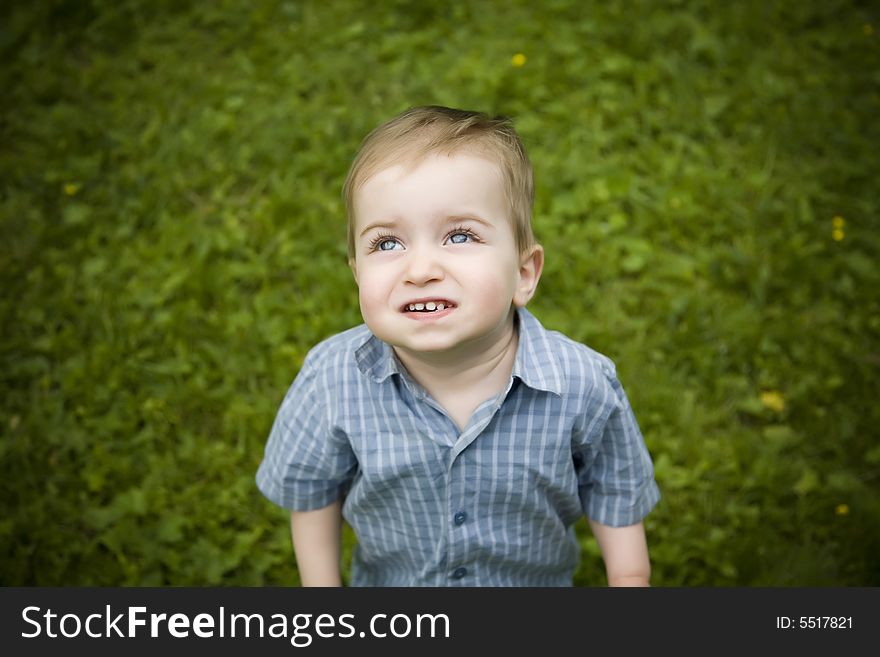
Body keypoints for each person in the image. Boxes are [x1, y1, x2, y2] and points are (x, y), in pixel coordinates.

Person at [256, 105, 660, 586]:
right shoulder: (333, 380)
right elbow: (311, 491)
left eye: (460, 235)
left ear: (523, 274)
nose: (420, 269)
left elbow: (614, 491)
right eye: (387, 244)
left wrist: (630, 580)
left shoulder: (582, 384)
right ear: (357, 272)